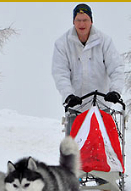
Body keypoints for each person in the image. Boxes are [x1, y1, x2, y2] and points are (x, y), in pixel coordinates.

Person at [52, 3, 124, 135]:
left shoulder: (104, 41)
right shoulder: (62, 44)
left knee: (103, 147)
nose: (82, 24)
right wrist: (68, 95)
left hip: (102, 105)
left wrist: (115, 91)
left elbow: (116, 68)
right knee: (74, 150)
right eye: (78, 20)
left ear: (91, 21)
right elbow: (60, 73)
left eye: (85, 20)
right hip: (76, 107)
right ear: (73, 21)